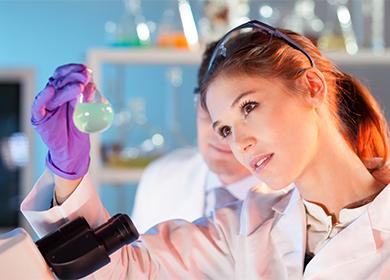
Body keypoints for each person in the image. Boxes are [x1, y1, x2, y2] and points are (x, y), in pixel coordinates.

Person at [21, 19, 390, 278]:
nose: (239, 143)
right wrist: (67, 174)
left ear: (311, 86)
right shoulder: (245, 228)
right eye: (225, 128)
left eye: (249, 107)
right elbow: (123, 271)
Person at [131, 41, 271, 233]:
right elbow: (133, 259)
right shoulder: (161, 177)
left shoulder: (298, 197)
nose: (220, 135)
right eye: (209, 112)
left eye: (245, 110)